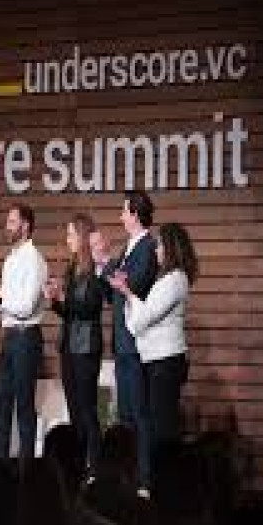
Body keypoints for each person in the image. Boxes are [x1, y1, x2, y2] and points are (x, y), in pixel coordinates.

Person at [108, 222, 198, 458]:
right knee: (156, 425)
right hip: (156, 361)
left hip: (165, 362)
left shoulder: (175, 279)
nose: (156, 250)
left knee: (162, 429)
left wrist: (127, 292)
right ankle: (160, 474)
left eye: (159, 246)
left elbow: (143, 318)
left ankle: (167, 476)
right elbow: (137, 321)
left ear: (170, 248)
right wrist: (129, 295)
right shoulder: (166, 279)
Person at [92, 191, 158, 494]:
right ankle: (128, 478)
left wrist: (109, 267)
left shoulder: (147, 246)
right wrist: (102, 268)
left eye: (123, 212)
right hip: (122, 342)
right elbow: (112, 291)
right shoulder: (128, 248)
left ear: (135, 214)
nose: (120, 217)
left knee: (140, 413)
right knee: (126, 414)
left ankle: (144, 479)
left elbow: (136, 284)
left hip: (136, 342)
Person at [0, 204, 47, 459]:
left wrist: (0, 300)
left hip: (26, 337)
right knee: (2, 404)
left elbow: (26, 307)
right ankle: (0, 465)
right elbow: (4, 310)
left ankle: (27, 469)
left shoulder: (34, 259)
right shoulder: (9, 260)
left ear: (25, 226)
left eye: (12, 222)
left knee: (24, 406)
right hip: (9, 337)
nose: (7, 227)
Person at [45, 213, 104, 472]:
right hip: (69, 345)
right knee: (73, 408)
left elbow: (90, 307)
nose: (67, 239)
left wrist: (64, 298)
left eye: (71, 234)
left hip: (87, 346)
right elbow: (69, 312)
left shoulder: (94, 270)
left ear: (82, 236)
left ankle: (96, 466)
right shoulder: (72, 268)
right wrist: (54, 300)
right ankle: (78, 465)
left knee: (87, 409)